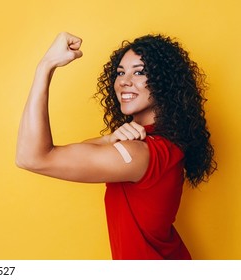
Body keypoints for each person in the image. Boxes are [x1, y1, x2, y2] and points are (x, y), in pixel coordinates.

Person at [16, 32, 215, 259]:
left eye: (139, 72)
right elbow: (82, 151)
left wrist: (45, 66)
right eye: (120, 73)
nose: (124, 81)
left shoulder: (141, 153)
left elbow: (31, 157)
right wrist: (109, 139)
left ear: (165, 82)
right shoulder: (156, 144)